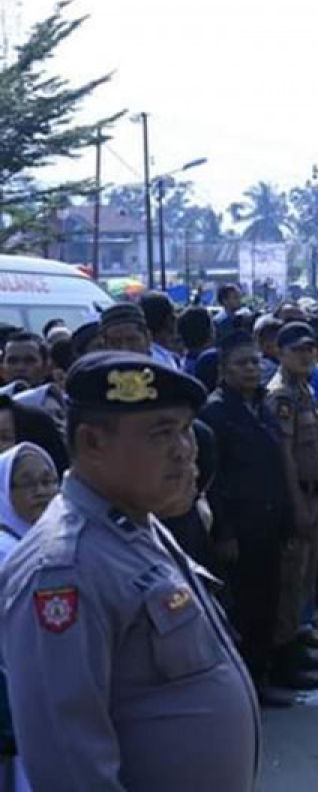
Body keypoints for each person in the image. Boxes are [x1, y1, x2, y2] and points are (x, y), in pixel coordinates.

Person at [0, 352, 259, 791]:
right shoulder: (63, 569)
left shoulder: (137, 523)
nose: (184, 449)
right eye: (161, 434)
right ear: (93, 443)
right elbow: (69, 766)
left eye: (183, 430)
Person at [200, 331, 298, 705]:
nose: (252, 369)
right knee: (245, 608)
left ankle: (267, 673)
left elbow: (276, 467)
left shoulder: (263, 406)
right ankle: (248, 686)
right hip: (239, 528)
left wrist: (287, 517)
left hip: (269, 521)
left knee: (269, 602)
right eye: (242, 363)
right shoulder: (215, 413)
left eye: (256, 362)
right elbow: (213, 480)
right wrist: (224, 531)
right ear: (224, 370)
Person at [265, 321, 318, 679]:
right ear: (280, 353)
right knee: (291, 579)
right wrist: (296, 505)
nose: (307, 355)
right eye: (298, 350)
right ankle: (284, 654)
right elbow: (285, 456)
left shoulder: (304, 388)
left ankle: (297, 637)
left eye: (311, 349)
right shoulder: (282, 395)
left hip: (314, 494)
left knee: (306, 575)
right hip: (298, 497)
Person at [0, 442, 57, 792]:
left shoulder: (49, 540)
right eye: (27, 483)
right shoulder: (7, 552)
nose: (42, 492)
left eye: (49, 481)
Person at [141, 291, 181, 370]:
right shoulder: (161, 360)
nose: (176, 317)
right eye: (174, 313)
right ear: (169, 319)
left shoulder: (144, 354)